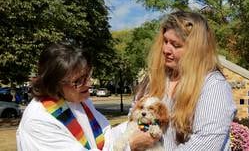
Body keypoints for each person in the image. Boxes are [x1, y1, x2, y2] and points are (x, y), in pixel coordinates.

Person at [16, 43, 155, 151]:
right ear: (54, 83)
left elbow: (106, 139)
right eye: (79, 80)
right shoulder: (39, 121)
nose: (89, 83)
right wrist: (131, 144)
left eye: (88, 75)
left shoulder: (80, 101)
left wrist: (139, 122)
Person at [132, 10, 237, 150]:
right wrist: (131, 142)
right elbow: (133, 116)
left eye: (176, 45)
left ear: (196, 50)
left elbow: (207, 143)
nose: (166, 50)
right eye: (165, 41)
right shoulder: (154, 78)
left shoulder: (213, 85)